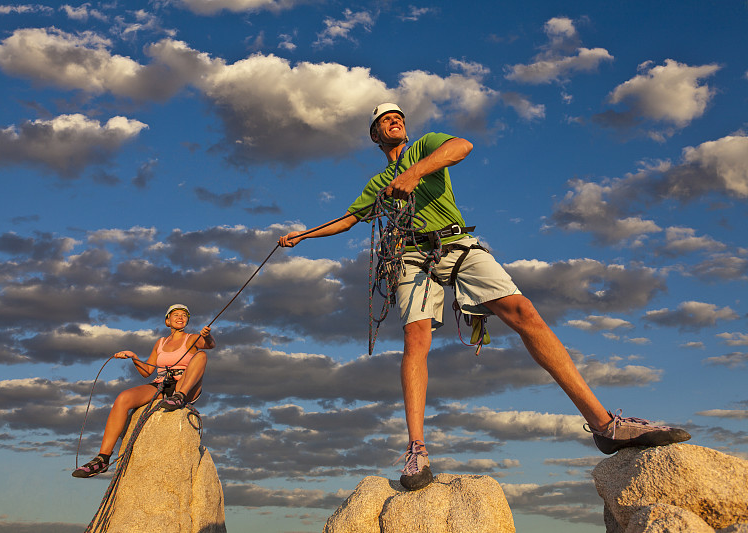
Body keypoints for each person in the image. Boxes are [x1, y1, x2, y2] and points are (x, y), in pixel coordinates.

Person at [278, 103, 691, 491]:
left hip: (456, 243)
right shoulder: (377, 183)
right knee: (416, 338)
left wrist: (416, 173)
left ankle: (604, 425)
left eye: (398, 116)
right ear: (374, 135)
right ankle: (416, 451)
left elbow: (462, 147)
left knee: (524, 312)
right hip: (411, 254)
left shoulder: (425, 146)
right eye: (385, 120)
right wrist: (304, 234)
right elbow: (349, 219)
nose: (394, 121)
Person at [72, 304, 215, 478]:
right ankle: (102, 459)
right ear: (167, 321)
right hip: (162, 383)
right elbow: (147, 371)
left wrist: (207, 337)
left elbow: (209, 345)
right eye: (175, 314)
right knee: (123, 398)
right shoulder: (161, 343)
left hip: (186, 384)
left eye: (184, 315)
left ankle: (179, 397)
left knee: (201, 355)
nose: (180, 317)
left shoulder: (192, 338)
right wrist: (133, 357)